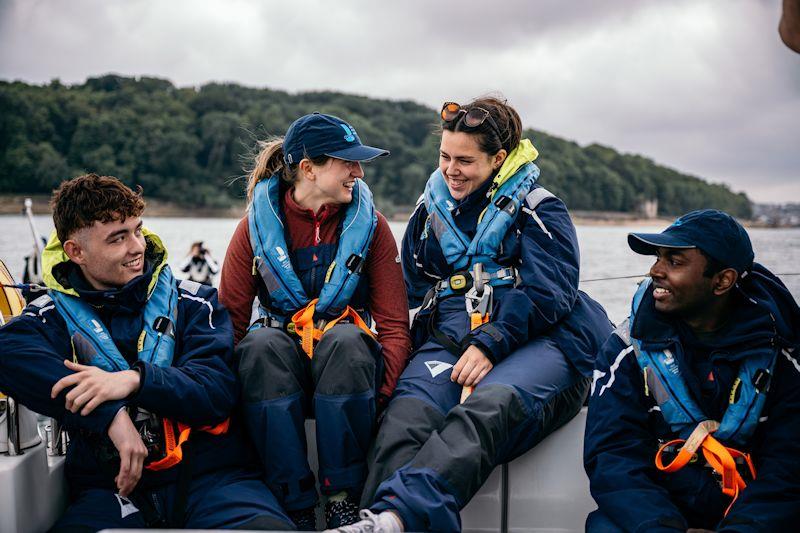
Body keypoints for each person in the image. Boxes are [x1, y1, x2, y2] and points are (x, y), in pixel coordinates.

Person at [332, 97, 612, 533]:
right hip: (451, 337)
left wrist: (491, 342)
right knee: (405, 419)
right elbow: (404, 288)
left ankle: (397, 518)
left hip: (544, 340)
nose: (451, 169)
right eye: (445, 156)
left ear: (499, 159)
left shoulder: (540, 209)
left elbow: (551, 292)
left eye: (465, 160)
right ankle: (374, 521)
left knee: (487, 406)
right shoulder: (430, 214)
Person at [0, 174, 293, 531]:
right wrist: (110, 416)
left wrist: (135, 381)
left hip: (214, 481)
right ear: (76, 252)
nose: (136, 247)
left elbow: (215, 391)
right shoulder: (51, 317)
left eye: (137, 231)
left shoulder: (196, 303)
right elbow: (8, 351)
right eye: (117, 238)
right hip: (113, 491)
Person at [219, 113, 412, 530]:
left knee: (346, 339)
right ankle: (295, 505)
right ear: (308, 169)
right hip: (277, 382)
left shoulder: (373, 228)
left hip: (349, 383)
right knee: (259, 345)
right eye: (348, 162)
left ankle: (344, 499)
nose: (359, 173)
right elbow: (230, 328)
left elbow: (395, 329)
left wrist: (380, 401)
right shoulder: (252, 232)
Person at [584, 209, 800, 532]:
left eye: (674, 261)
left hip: (752, 515)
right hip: (657, 512)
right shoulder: (626, 349)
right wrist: (662, 526)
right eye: (658, 258)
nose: (655, 271)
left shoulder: (782, 355)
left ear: (722, 281)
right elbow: (613, 454)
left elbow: (788, 466)